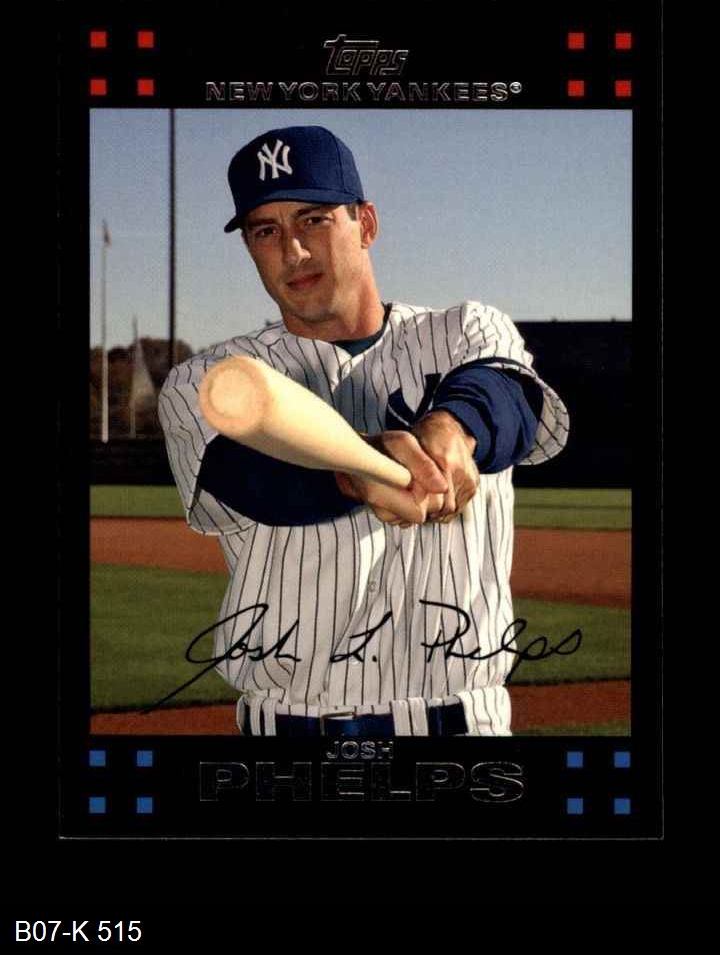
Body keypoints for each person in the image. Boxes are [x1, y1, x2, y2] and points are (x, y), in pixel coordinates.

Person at [159, 124, 569, 737]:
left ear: (366, 223)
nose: (293, 251)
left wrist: (454, 428)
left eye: (314, 219)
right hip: (288, 730)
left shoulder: (464, 330)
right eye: (266, 231)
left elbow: (507, 397)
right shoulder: (212, 379)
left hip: (461, 727)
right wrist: (356, 471)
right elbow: (253, 479)